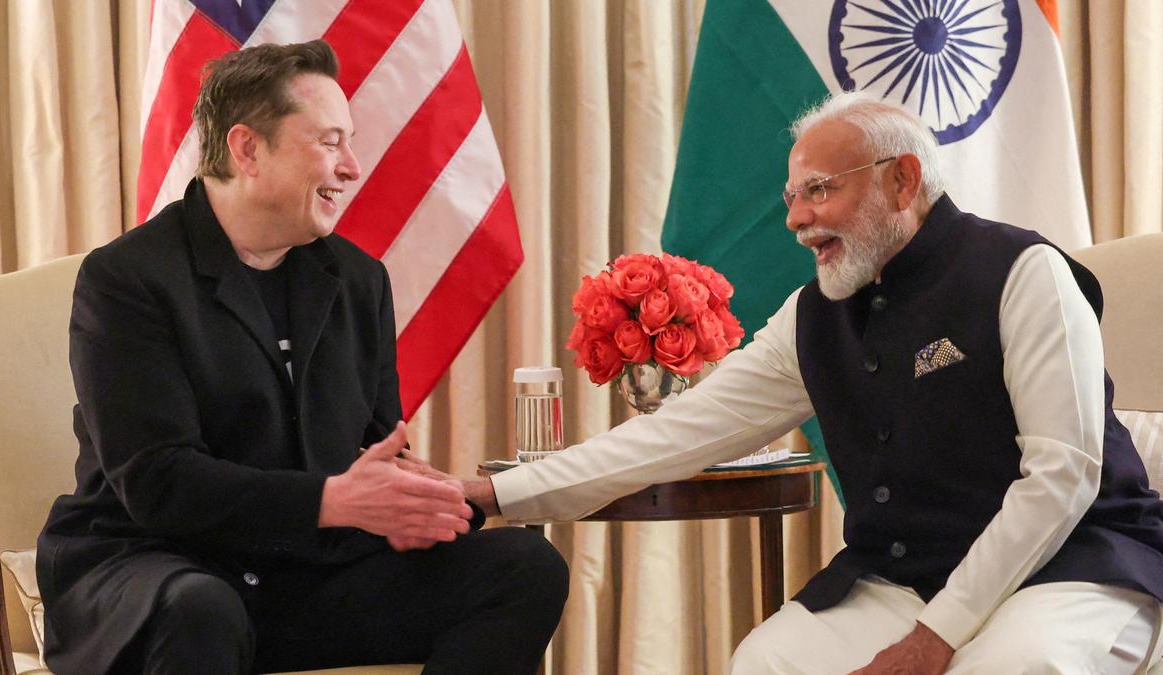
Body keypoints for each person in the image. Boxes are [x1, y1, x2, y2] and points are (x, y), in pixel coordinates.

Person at [464, 91, 1163, 673]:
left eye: (820, 190)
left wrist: (937, 635)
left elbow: (1062, 477)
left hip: (1073, 565)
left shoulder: (1024, 272)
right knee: (767, 662)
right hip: (910, 578)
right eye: (792, 196)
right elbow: (675, 434)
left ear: (902, 180)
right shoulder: (813, 315)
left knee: (1010, 667)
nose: (796, 219)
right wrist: (500, 493)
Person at [37, 39, 567, 675]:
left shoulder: (358, 281)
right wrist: (334, 501)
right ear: (247, 149)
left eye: (349, 143)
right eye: (330, 142)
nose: (352, 166)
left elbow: (374, 448)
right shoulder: (128, 279)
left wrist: (407, 503)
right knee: (202, 609)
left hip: (305, 573)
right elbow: (157, 483)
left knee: (524, 567)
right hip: (158, 567)